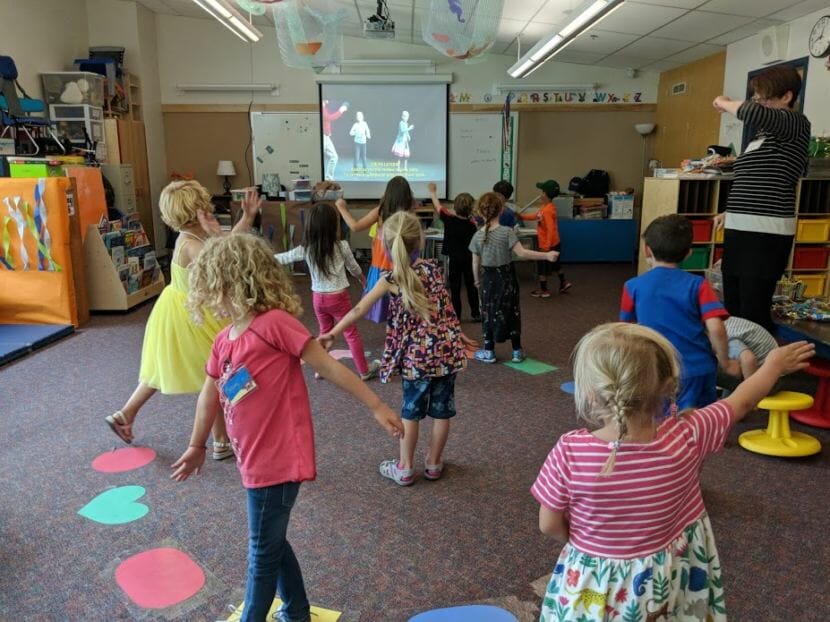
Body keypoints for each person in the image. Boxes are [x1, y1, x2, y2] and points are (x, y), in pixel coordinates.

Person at [170, 233, 403, 622]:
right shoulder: (224, 340)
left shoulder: (274, 324)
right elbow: (208, 395)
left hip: (278, 460)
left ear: (236, 282)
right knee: (270, 540)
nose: (211, 299)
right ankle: (295, 610)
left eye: (215, 289)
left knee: (261, 550)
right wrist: (197, 446)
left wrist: (376, 405)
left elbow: (326, 365)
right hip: (252, 458)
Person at [531, 322, 813, 622]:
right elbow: (741, 401)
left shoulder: (570, 452)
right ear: (667, 387)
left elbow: (549, 524)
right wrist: (773, 365)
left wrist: (589, 546)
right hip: (665, 578)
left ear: (590, 393)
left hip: (595, 581)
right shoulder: (688, 434)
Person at [104, 181, 260, 460]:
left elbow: (226, 245)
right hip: (192, 317)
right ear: (196, 208)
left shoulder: (198, 236)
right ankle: (220, 440)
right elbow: (222, 261)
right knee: (215, 375)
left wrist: (246, 220)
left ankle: (125, 414)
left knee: (170, 371)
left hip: (187, 309)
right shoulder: (189, 242)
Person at [319, 211, 466, 486]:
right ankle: (434, 464)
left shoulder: (391, 279)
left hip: (415, 358)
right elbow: (445, 309)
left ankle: (405, 467)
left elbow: (360, 309)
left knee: (411, 411)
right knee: (442, 410)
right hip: (445, 352)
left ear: (385, 245)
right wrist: (457, 337)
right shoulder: (434, 268)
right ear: (419, 241)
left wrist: (332, 333)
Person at [713, 65, 811, 332]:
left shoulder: (796, 124)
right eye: (757, 99)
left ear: (786, 97)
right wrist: (729, 212)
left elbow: (749, 111)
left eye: (763, 98)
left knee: (753, 307)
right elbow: (756, 178)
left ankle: (764, 367)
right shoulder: (763, 136)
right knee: (733, 301)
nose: (759, 104)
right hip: (740, 227)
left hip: (766, 232)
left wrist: (724, 102)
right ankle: (739, 364)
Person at [620, 214, 738, 409]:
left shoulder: (632, 286)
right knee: (702, 420)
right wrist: (725, 362)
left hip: (658, 369)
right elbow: (716, 328)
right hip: (699, 368)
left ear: (646, 250)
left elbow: (626, 331)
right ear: (688, 253)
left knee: (662, 423)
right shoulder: (699, 285)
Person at [274, 202, 380, 380]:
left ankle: (321, 369)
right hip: (338, 299)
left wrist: (259, 256)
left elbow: (283, 258)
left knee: (324, 333)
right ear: (334, 226)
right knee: (350, 333)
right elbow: (353, 268)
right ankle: (364, 370)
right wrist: (363, 279)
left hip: (318, 299)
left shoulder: (307, 249)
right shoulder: (342, 246)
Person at [469, 192, 559, 364]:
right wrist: (546, 256)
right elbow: (522, 253)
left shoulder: (477, 236)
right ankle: (517, 351)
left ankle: (489, 351)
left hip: (488, 280)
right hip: (507, 278)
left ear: (480, 212)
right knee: (511, 311)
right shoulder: (507, 232)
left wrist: (476, 281)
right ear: (502, 210)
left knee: (488, 312)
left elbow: (475, 263)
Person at [334, 175, 416, 323]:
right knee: (401, 307)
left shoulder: (381, 211)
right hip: (402, 267)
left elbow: (355, 226)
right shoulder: (409, 212)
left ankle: (391, 335)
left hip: (381, 267)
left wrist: (341, 207)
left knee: (383, 304)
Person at [427, 182, 480, 322]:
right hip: (469, 259)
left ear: (455, 207)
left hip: (454, 260)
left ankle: (457, 315)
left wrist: (433, 192)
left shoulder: (449, 219)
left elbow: (438, 206)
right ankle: (476, 313)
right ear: (470, 208)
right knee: (471, 286)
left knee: (455, 288)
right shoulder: (473, 224)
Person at [519, 179, 571, 297]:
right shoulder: (547, 207)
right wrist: (521, 216)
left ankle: (544, 290)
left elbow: (550, 229)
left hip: (547, 244)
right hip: (555, 242)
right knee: (556, 264)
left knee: (542, 268)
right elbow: (535, 216)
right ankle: (564, 282)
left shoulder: (547, 211)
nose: (540, 194)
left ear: (545, 194)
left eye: (542, 192)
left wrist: (546, 248)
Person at [725, 315, 778, 380]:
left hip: (766, 374)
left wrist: (749, 388)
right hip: (772, 363)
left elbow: (748, 360)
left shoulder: (726, 337)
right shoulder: (725, 321)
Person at [322, 99, 349, 180]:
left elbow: (326, 121)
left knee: (334, 157)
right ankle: (327, 177)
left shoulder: (324, 108)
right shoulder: (322, 108)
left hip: (326, 137)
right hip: (324, 137)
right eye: (325, 100)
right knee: (331, 157)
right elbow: (329, 118)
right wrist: (341, 110)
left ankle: (328, 177)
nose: (327, 102)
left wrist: (328, 132)